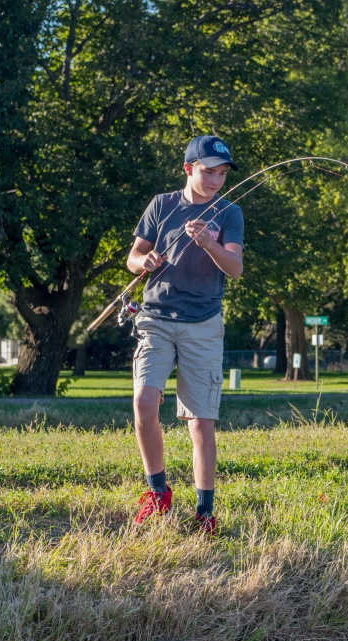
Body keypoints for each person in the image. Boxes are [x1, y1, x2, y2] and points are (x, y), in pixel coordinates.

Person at [127, 135, 244, 534]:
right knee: (144, 402)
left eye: (222, 174)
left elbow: (235, 268)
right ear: (188, 168)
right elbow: (133, 258)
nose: (215, 180)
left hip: (203, 324)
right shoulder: (162, 205)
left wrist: (209, 243)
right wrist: (145, 260)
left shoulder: (230, 212)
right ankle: (157, 492)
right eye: (209, 171)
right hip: (156, 318)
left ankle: (204, 513)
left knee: (200, 423)